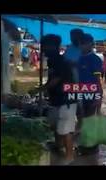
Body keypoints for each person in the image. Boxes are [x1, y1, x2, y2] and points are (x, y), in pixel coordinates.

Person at [30, 34, 77, 165]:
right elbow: (51, 79)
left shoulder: (61, 61)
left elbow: (56, 80)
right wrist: (44, 91)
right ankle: (58, 147)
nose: (43, 49)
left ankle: (69, 157)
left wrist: (39, 90)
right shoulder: (51, 61)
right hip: (56, 99)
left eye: (44, 46)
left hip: (66, 100)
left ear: (53, 46)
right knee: (56, 126)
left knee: (66, 129)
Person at [78, 34, 104, 117]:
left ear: (91, 45)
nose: (82, 45)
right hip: (76, 92)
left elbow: (97, 80)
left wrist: (98, 96)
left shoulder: (95, 59)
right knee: (79, 117)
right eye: (81, 43)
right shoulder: (76, 58)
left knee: (88, 117)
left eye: (84, 43)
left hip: (90, 93)